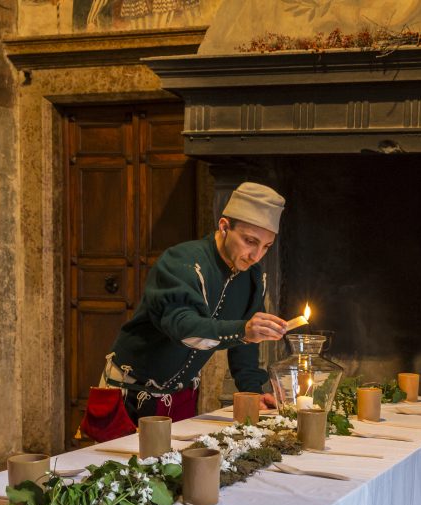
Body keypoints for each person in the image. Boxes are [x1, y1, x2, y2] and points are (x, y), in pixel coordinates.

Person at [92, 182, 288, 433]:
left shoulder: (254, 278)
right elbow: (184, 329)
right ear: (224, 226)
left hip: (182, 396)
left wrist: (252, 393)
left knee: (181, 460)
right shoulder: (180, 261)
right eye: (250, 241)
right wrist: (243, 330)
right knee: (118, 460)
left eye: (266, 246)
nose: (256, 256)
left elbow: (245, 346)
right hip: (129, 393)